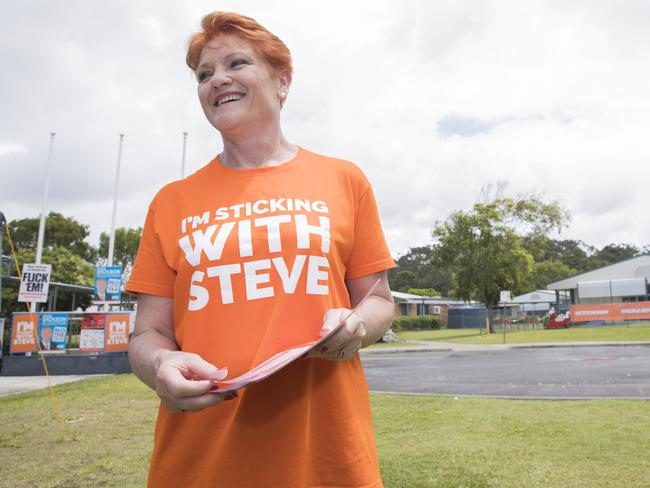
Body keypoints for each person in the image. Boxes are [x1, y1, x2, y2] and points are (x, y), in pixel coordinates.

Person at [127, 11, 395, 488]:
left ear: (283, 81)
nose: (218, 80)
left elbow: (378, 300)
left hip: (329, 458)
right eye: (204, 74)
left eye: (236, 63)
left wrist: (356, 325)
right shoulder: (171, 202)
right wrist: (160, 365)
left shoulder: (344, 179)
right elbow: (146, 333)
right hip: (200, 462)